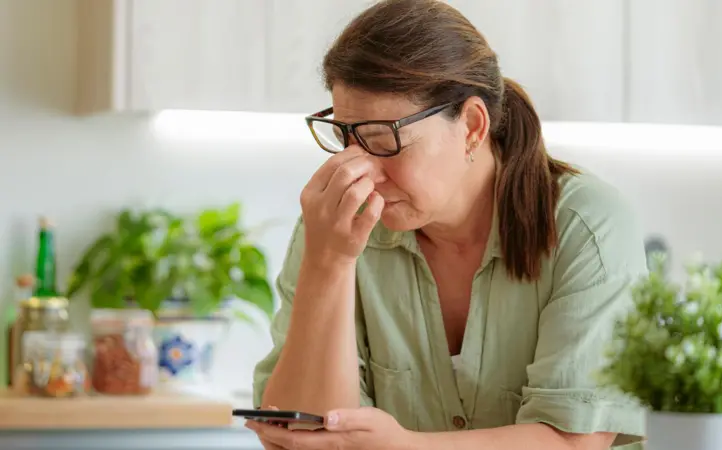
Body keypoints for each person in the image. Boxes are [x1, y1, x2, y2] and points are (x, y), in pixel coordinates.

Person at [248, 0, 648, 449]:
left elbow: (575, 442)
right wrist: (329, 264)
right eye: (347, 139)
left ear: (473, 126)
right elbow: (301, 436)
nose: (360, 171)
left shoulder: (587, 226)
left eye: (383, 141)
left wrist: (402, 447)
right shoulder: (335, 227)